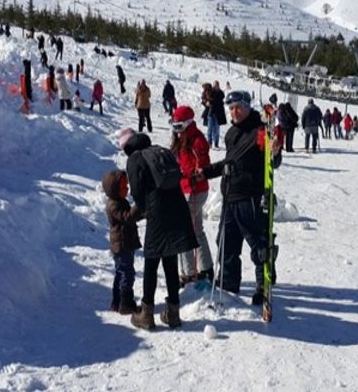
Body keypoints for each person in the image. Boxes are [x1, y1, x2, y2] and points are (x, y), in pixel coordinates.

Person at [195, 90, 280, 305]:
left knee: (257, 244)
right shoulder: (232, 133)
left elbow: (272, 159)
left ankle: (263, 285)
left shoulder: (259, 130)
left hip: (250, 196)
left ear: (248, 106)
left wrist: (275, 152)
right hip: (230, 196)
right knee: (226, 242)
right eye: (231, 108)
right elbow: (228, 163)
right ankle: (228, 281)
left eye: (238, 107)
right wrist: (206, 172)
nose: (234, 112)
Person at [120, 129, 198, 330]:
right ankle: (173, 313)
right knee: (170, 259)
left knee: (152, 260)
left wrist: (140, 212)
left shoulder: (135, 159)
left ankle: (146, 314)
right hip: (178, 206)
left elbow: (138, 194)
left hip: (158, 210)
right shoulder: (161, 151)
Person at [170, 106, 214, 286]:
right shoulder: (181, 139)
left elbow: (203, 165)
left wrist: (189, 173)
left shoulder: (197, 141)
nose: (177, 131)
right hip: (185, 189)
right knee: (196, 230)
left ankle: (188, 273)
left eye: (179, 127)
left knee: (184, 230)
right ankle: (206, 268)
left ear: (188, 124)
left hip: (195, 190)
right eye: (174, 127)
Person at [102, 169, 143, 315]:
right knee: (127, 273)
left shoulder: (120, 201)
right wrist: (138, 207)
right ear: (114, 190)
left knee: (120, 272)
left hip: (124, 243)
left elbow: (131, 217)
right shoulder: (113, 205)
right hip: (122, 244)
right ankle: (126, 303)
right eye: (124, 188)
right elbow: (126, 217)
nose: (127, 190)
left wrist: (142, 213)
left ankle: (117, 301)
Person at [206, 81, 226, 149]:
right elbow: (208, 97)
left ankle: (216, 143)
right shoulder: (211, 92)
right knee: (209, 129)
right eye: (214, 85)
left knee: (216, 130)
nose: (215, 87)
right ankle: (209, 143)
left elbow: (222, 97)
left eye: (217, 85)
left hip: (218, 114)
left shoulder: (220, 93)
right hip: (211, 114)